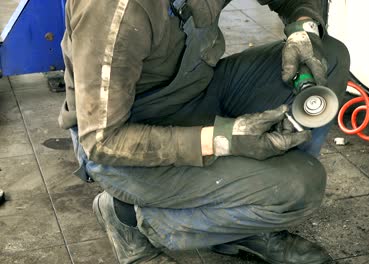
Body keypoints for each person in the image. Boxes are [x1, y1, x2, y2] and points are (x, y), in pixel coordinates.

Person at [58, 0, 350, 263]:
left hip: (199, 90)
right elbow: (102, 140)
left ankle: (247, 221)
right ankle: (129, 219)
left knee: (332, 56)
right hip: (129, 143)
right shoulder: (111, 9)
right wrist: (224, 138)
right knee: (302, 185)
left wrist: (304, 29)